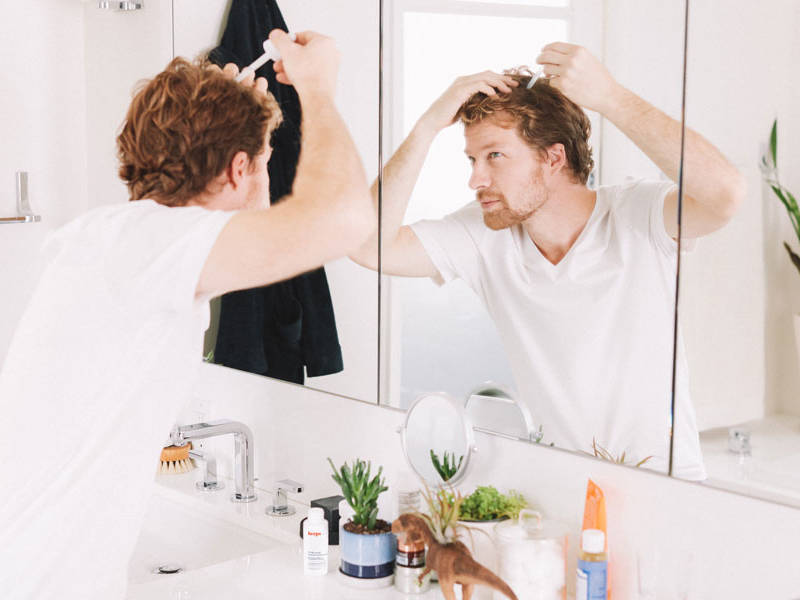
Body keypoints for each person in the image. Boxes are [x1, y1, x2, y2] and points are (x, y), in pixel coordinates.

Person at [0, 30, 374, 599]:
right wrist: (318, 88)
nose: (265, 177)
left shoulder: (117, 243)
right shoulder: (151, 244)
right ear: (238, 169)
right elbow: (343, 219)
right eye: (264, 163)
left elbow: (269, 235)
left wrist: (225, 116)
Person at [350, 42, 745, 479]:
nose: (476, 178)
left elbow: (726, 194)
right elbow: (368, 246)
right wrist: (427, 126)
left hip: (667, 484)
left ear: (553, 157)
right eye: (472, 159)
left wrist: (611, 97)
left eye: (494, 155)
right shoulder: (485, 235)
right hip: (560, 484)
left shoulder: (639, 214)